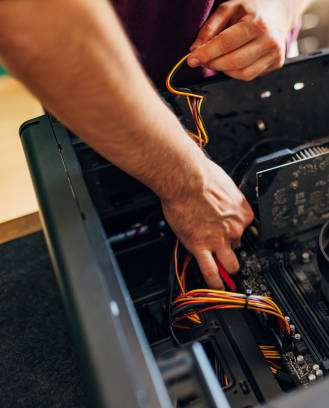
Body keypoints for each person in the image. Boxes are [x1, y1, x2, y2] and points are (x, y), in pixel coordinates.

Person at [0, 0, 311, 289]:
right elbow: (29, 20)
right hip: (111, 114)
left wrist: (281, 8)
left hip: (261, 66)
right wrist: (186, 182)